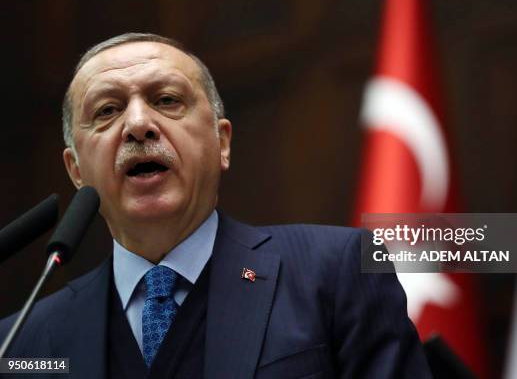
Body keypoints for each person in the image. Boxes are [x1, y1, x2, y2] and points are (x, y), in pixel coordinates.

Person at [0, 33, 431, 378]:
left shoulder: (335, 272)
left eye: (167, 100)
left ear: (222, 142)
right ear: (76, 170)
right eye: (108, 110)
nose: (137, 125)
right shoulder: (22, 341)